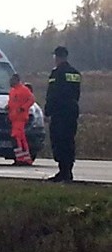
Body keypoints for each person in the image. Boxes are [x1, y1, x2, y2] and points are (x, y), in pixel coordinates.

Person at [45, 46, 81, 182]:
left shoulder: (57, 73)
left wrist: (48, 110)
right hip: (72, 111)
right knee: (69, 140)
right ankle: (67, 171)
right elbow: (76, 93)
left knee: (59, 140)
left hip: (59, 113)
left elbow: (53, 94)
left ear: (57, 57)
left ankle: (63, 171)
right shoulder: (75, 73)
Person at [6, 73, 35, 166]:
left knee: (17, 138)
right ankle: (22, 158)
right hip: (14, 118)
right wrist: (7, 107)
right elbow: (12, 102)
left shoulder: (24, 90)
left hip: (20, 118)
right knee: (19, 138)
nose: (10, 82)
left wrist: (23, 108)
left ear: (16, 80)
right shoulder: (12, 91)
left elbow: (31, 100)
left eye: (12, 80)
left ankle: (22, 158)